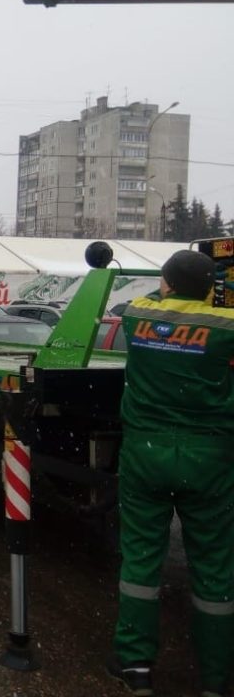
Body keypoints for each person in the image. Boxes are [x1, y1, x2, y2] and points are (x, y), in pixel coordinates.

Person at [109, 249, 234, 697]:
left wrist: (173, 291)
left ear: (167, 282)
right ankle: (216, 679)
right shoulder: (227, 324)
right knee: (215, 569)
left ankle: (135, 665)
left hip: (146, 450)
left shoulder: (139, 315)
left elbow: (138, 301)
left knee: (141, 560)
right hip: (209, 456)